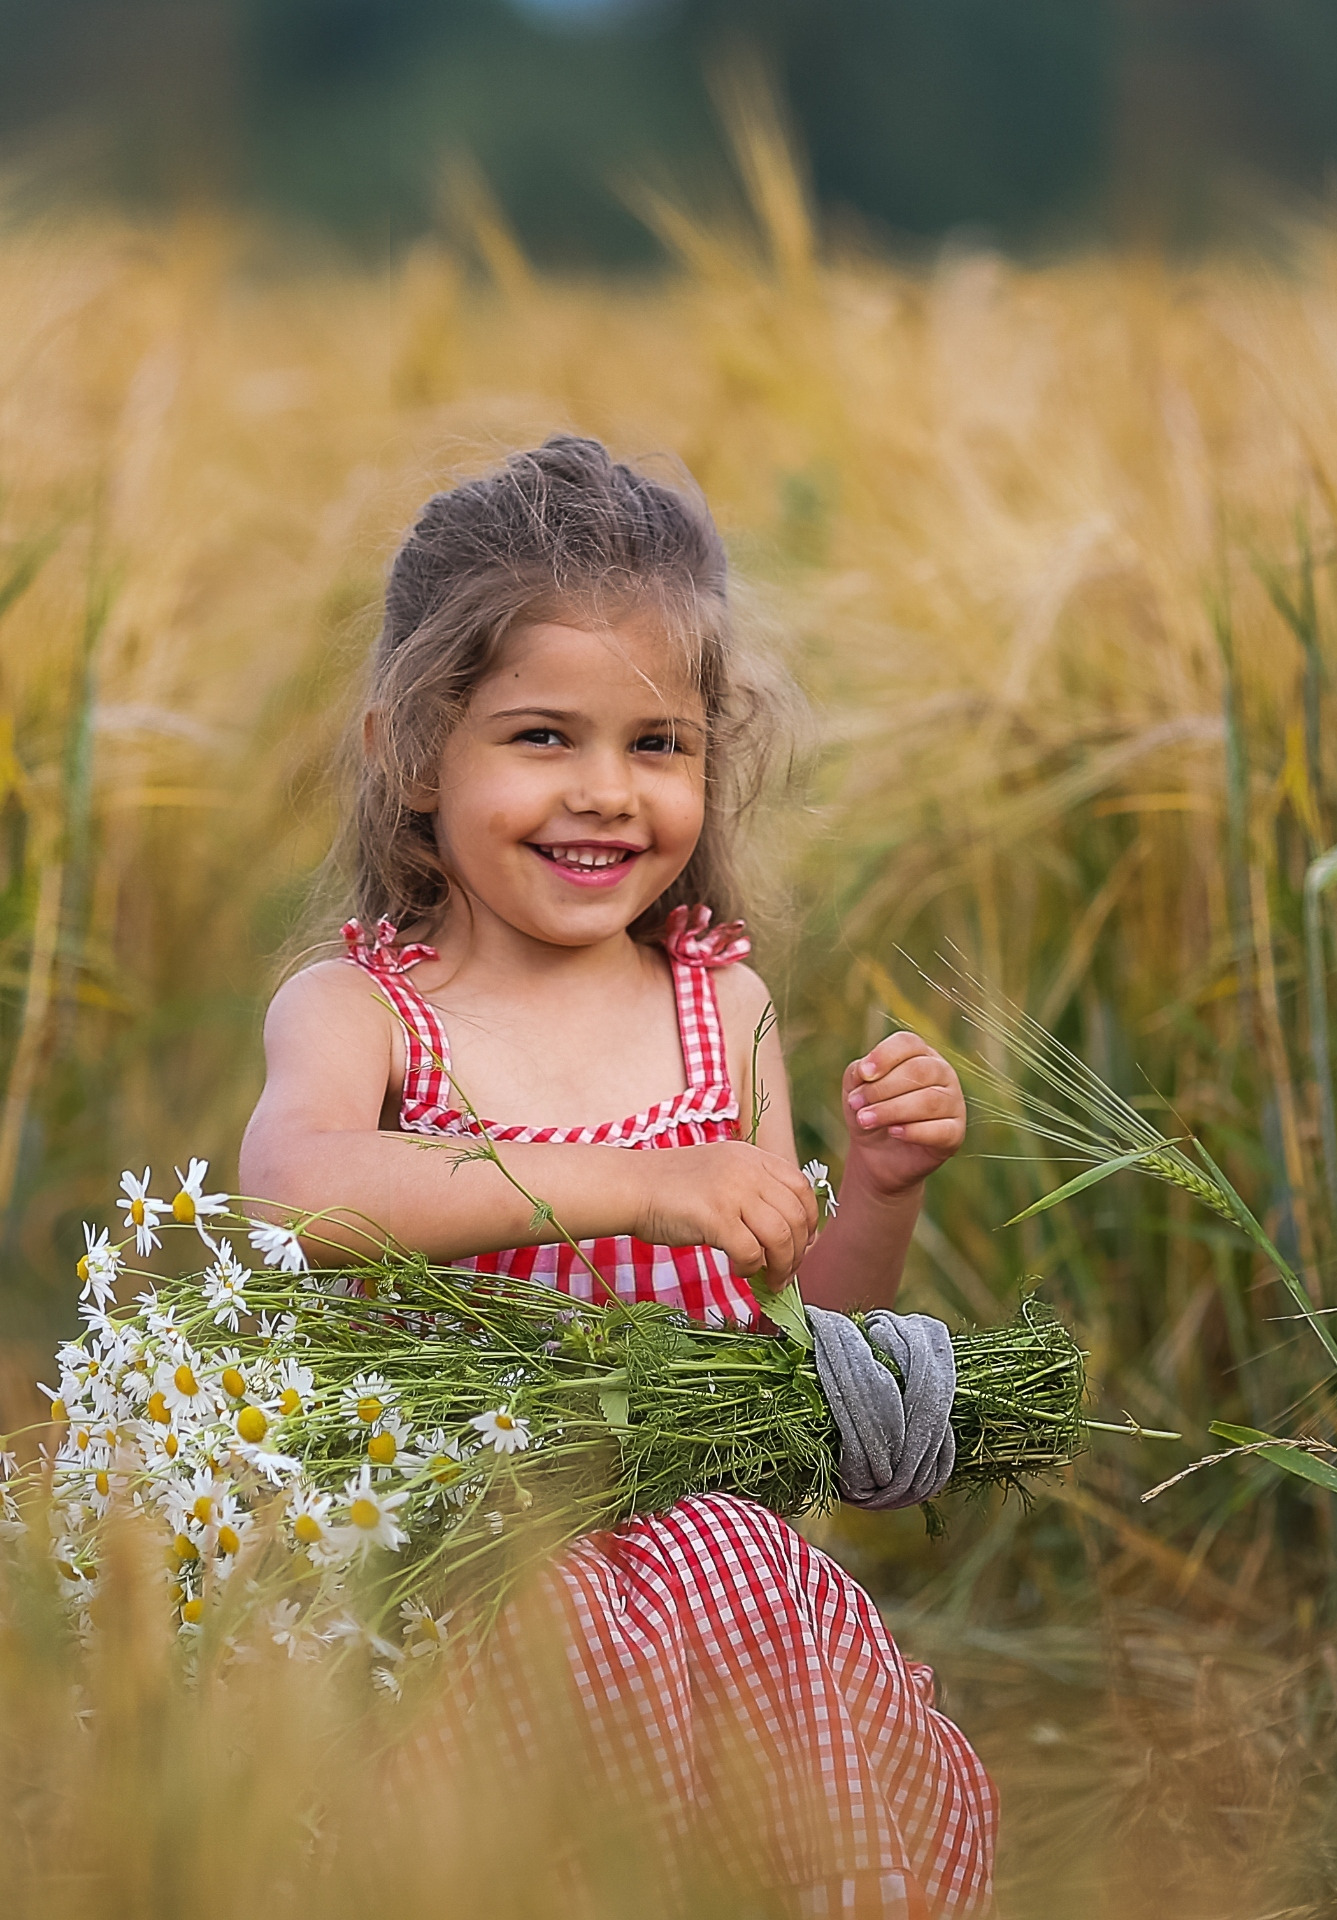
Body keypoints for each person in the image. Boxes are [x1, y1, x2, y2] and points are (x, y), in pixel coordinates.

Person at [239, 435, 996, 1917]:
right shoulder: (361, 1012)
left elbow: (792, 1352)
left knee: (728, 1543)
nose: (605, 793)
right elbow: (297, 1198)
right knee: (631, 1591)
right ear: (411, 751)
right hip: (475, 1586)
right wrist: (637, 1186)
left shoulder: (725, 1011)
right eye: (540, 738)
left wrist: (879, 1193)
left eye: (657, 745)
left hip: (730, 1613)